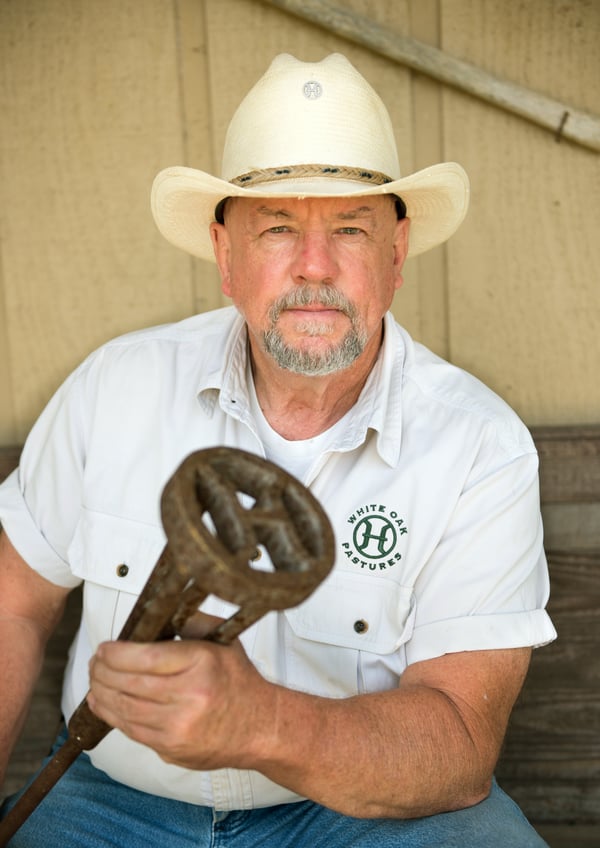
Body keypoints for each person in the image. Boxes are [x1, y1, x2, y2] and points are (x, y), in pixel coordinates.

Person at [0, 53, 556, 847]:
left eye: (351, 229)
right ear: (226, 257)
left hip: (354, 819)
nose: (314, 268)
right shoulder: (115, 387)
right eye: (278, 229)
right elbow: (12, 601)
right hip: (109, 798)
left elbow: (461, 745)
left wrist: (266, 725)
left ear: (396, 255)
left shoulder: (479, 445)